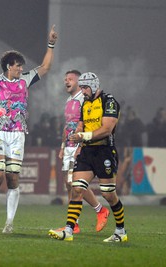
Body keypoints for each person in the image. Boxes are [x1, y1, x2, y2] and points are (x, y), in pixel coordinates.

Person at [0, 25, 58, 233]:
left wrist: (51, 44)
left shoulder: (25, 80)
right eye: (18, 66)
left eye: (22, 66)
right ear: (9, 66)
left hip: (18, 134)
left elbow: (45, 67)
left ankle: (9, 223)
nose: (21, 69)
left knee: (13, 178)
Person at [48, 72, 127, 242]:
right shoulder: (85, 103)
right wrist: (77, 136)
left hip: (105, 151)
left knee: (108, 194)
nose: (82, 91)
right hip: (86, 152)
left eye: (84, 87)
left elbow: (106, 129)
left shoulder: (109, 102)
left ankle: (121, 231)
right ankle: (68, 230)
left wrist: (83, 136)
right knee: (76, 189)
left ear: (93, 85)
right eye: (81, 87)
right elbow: (81, 125)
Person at [56, 70, 109, 234]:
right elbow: (68, 125)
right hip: (69, 145)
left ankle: (100, 210)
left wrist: (81, 146)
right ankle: (75, 223)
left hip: (81, 145)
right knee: (68, 184)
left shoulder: (84, 98)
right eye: (65, 79)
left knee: (75, 182)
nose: (66, 81)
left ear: (79, 82)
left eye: (70, 79)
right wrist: (63, 146)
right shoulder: (69, 100)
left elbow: (86, 124)